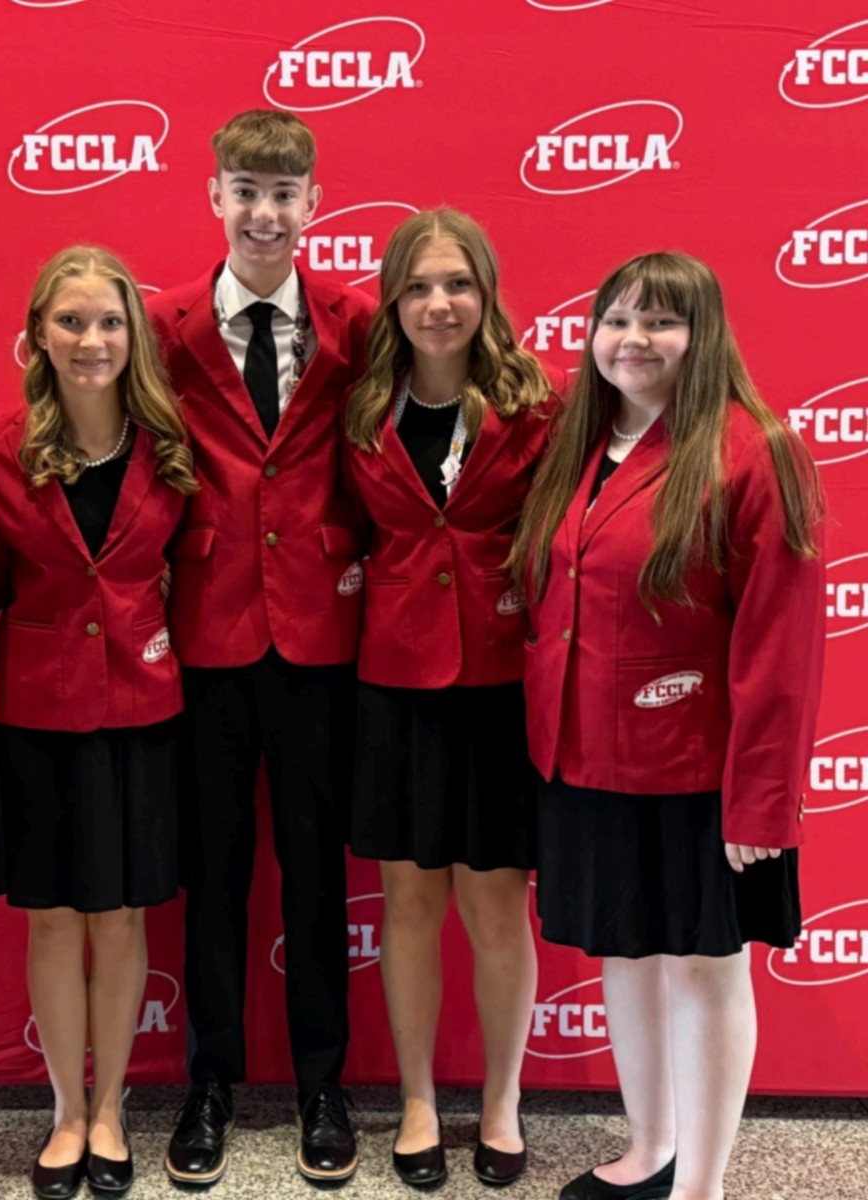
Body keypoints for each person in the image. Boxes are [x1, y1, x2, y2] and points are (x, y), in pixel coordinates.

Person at [511, 252, 824, 1200]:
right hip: (585, 758)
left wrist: (760, 804)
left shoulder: (753, 450)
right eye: (616, 320)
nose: (633, 340)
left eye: (661, 322)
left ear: (705, 335)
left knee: (701, 967)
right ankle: (651, 1150)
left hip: (697, 771)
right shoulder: (580, 445)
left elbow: (782, 647)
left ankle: (704, 1187)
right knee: (625, 954)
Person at [145, 109, 374, 1187]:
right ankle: (211, 1082)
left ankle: (326, 1084)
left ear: (315, 203)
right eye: (245, 189)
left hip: (325, 636)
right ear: (213, 199)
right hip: (207, 633)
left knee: (319, 873)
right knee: (215, 873)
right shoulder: (165, 325)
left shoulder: (357, 323)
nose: (265, 211)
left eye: (285, 193)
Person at [343, 208, 563, 1190]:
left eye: (459, 284)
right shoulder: (360, 406)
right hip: (394, 682)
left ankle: (504, 1099)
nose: (440, 304)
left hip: (502, 681)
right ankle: (421, 1098)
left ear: (487, 293)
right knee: (410, 899)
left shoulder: (540, 403)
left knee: (494, 903)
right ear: (395, 297)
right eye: (421, 285)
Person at [0, 246, 197, 1200]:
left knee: (121, 916)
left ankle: (114, 1114)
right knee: (56, 919)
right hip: (36, 712)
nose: (91, 339)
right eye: (70, 321)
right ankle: (68, 1111)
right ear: (36, 335)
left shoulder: (174, 445)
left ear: (133, 335)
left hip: (145, 710)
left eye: (109, 321)